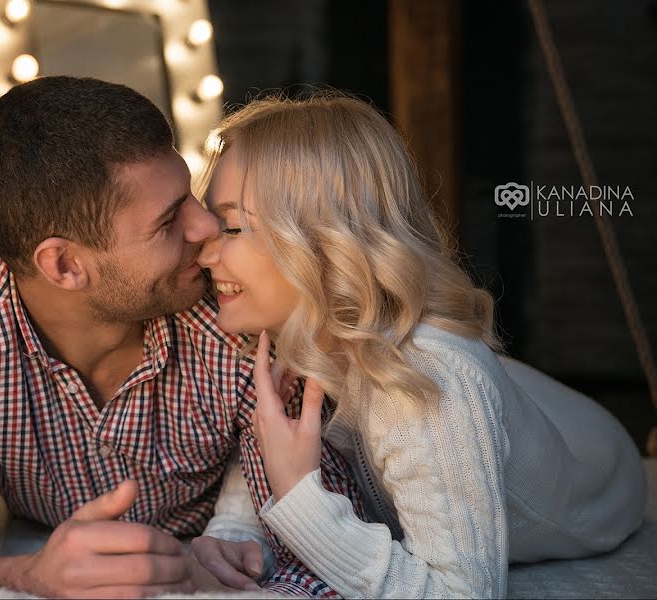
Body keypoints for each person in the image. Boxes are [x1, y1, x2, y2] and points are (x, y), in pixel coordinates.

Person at [0, 76, 367, 598]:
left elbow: (324, 565)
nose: (206, 229)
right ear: (63, 265)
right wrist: (31, 575)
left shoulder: (237, 311)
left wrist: (220, 571)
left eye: (189, 195)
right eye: (169, 220)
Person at [193, 92, 648, 598]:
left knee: (450, 370)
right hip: (498, 391)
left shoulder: (425, 386)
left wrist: (302, 502)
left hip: (595, 462)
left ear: (323, 239)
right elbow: (269, 442)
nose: (205, 252)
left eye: (232, 225)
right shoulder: (298, 334)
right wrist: (236, 529)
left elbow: (463, 593)